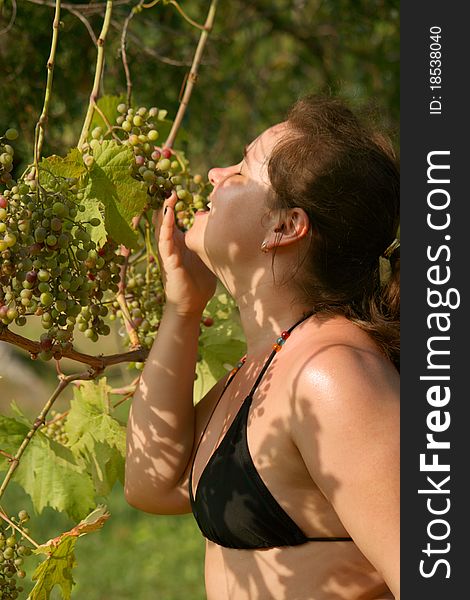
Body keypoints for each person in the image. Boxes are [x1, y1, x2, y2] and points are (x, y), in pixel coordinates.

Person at [125, 95, 400, 600]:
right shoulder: (270, 361)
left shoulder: (332, 375)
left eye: (241, 171)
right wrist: (183, 309)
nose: (214, 173)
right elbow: (153, 483)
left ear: (285, 226)